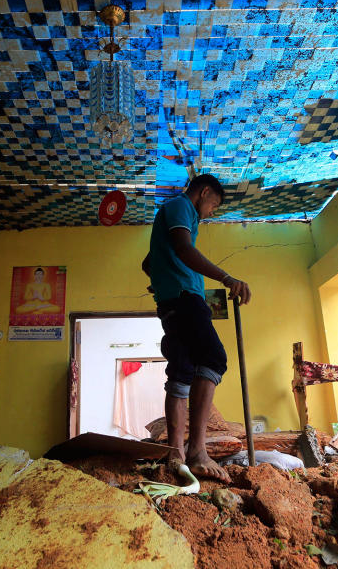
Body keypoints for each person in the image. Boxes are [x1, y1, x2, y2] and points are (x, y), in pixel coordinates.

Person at [141, 174, 251, 483]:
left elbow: (149, 263)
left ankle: (176, 453)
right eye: (214, 204)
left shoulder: (171, 214)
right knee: (214, 359)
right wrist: (227, 278)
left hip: (171, 299)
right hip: (186, 297)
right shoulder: (180, 207)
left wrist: (161, 280)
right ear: (203, 193)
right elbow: (184, 249)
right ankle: (198, 451)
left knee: (183, 368)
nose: (212, 211)